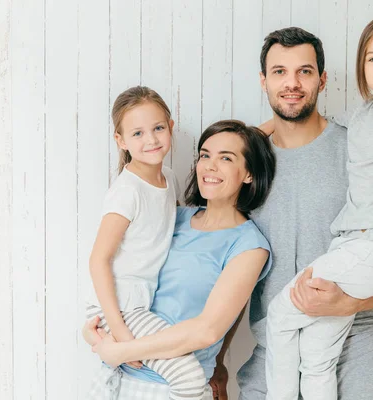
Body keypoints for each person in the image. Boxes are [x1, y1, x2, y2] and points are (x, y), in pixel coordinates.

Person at [212, 26, 373, 400]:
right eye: (279, 72)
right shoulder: (249, 165)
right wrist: (217, 356)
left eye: (305, 71)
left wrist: (350, 304)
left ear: (323, 79)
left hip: (355, 351)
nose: (292, 83)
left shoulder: (361, 147)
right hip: (273, 358)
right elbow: (233, 270)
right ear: (264, 81)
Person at [84, 120, 276, 399]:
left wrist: (119, 350)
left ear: (249, 173)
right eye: (205, 155)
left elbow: (207, 330)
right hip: (115, 376)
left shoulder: (249, 246)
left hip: (171, 386)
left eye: (226, 158)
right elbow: (123, 274)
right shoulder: (175, 217)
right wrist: (98, 333)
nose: (210, 166)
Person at [84, 85, 207, 400]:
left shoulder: (168, 179)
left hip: (141, 301)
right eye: (137, 133)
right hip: (120, 306)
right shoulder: (127, 192)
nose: (151, 139)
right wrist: (120, 330)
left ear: (170, 127)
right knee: (188, 374)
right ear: (121, 141)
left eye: (157, 128)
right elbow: (98, 260)